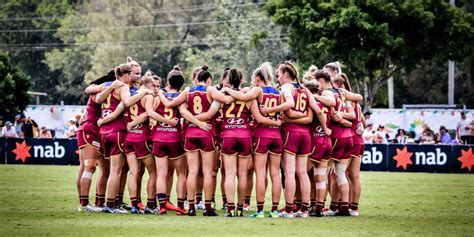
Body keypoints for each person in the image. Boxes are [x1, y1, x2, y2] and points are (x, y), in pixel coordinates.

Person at [220, 64, 283, 218]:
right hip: (250, 135)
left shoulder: (222, 95)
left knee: (230, 174)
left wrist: (225, 90)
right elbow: (264, 114)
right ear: (241, 80)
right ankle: (244, 209)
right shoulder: (275, 93)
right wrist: (278, 123)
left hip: (232, 134)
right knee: (249, 174)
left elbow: (212, 112)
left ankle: (231, 209)